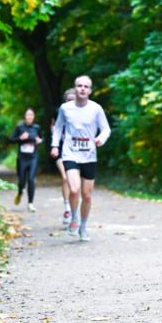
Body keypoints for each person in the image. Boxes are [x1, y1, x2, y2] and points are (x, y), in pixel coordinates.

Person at [51, 75, 110, 242]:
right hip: (70, 153)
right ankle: (74, 217)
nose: (82, 88)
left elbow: (106, 129)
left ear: (90, 90)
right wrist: (55, 146)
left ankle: (83, 226)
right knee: (74, 189)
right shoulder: (65, 108)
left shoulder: (96, 109)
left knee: (87, 195)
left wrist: (100, 139)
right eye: (79, 86)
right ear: (75, 88)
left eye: (86, 86)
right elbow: (58, 129)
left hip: (89, 155)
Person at [52, 88, 77, 228]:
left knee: (76, 183)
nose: (71, 103)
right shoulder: (60, 113)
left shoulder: (83, 114)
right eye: (68, 100)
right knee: (65, 177)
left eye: (73, 100)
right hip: (62, 151)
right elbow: (55, 130)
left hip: (77, 152)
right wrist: (54, 144)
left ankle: (74, 211)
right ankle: (67, 208)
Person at [10, 108, 42, 212]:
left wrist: (39, 141)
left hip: (33, 157)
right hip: (22, 158)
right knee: (22, 180)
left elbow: (41, 139)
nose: (29, 117)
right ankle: (20, 192)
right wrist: (20, 138)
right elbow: (11, 139)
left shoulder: (37, 128)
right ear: (25, 116)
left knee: (31, 179)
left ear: (34, 117)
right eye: (28, 115)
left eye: (31, 115)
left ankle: (30, 203)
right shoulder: (20, 127)